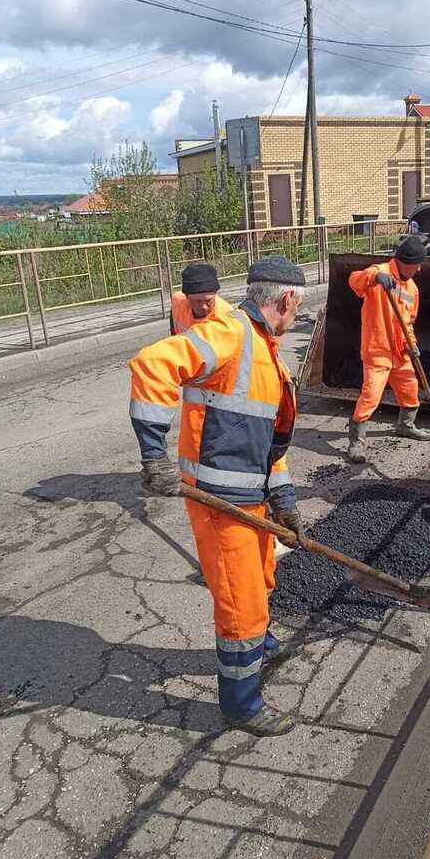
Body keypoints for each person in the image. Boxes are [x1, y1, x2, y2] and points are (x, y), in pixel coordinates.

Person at [128, 255, 305, 737]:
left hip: (253, 502)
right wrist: (153, 455)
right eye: (298, 308)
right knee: (240, 602)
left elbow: (270, 444)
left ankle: (261, 644)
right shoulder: (229, 333)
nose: (296, 316)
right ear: (288, 299)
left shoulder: (269, 352)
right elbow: (153, 365)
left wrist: (284, 500)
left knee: (264, 576)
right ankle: (242, 704)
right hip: (217, 501)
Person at [347, 235, 430, 463]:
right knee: (371, 395)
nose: (420, 269)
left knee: (410, 389)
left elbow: (408, 322)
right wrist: (375, 277)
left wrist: (411, 344)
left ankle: (406, 425)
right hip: (378, 349)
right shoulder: (380, 271)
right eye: (417, 265)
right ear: (406, 263)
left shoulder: (411, 288)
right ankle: (356, 442)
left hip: (400, 351)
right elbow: (354, 281)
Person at [170, 261, 232, 335]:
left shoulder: (226, 316)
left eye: (208, 300)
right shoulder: (177, 302)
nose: (204, 307)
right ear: (186, 296)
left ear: (216, 293)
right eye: (197, 301)